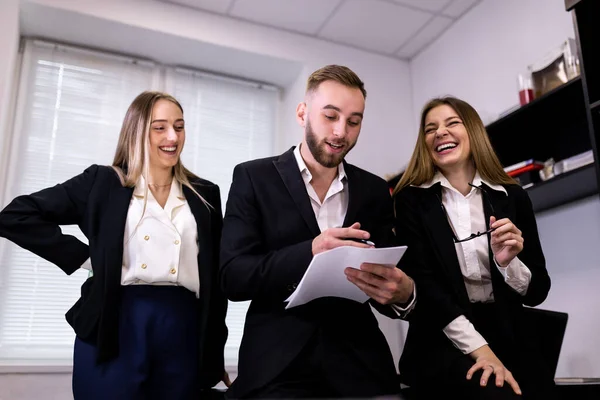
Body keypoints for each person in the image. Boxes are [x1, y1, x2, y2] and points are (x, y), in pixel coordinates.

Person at [0, 91, 230, 399]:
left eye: (179, 126)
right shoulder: (103, 182)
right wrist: (86, 257)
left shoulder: (205, 194)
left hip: (182, 325)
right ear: (137, 130)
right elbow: (15, 215)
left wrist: (213, 353)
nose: (173, 137)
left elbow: (215, 283)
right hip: (115, 320)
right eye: (159, 127)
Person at [219, 65, 416, 398]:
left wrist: (404, 294)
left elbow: (385, 286)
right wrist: (310, 250)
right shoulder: (253, 178)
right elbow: (234, 277)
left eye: (353, 122)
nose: (341, 132)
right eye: (330, 116)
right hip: (276, 366)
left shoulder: (374, 190)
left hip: (361, 366)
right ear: (302, 113)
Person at [393, 96, 555, 399]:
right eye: (430, 129)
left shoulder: (513, 196)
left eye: (452, 123)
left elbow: (538, 291)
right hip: (443, 335)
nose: (440, 132)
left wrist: (508, 263)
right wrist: (482, 352)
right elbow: (427, 288)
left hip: (510, 333)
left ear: (474, 132)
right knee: (490, 391)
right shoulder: (409, 201)